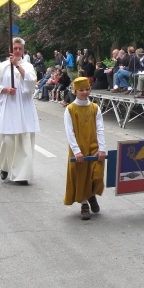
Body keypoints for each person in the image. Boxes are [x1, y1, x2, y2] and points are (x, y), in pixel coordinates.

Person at [0, 37, 40, 184]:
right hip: (8, 106)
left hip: (23, 107)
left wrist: (17, 66)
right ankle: (5, 166)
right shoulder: (2, 66)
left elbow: (30, 82)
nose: (17, 51)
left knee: (23, 141)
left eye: (19, 49)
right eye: (14, 48)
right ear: (10, 49)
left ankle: (22, 175)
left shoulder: (28, 66)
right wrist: (4, 89)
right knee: (7, 141)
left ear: (23, 50)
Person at [63, 77, 106, 220]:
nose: (84, 92)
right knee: (81, 176)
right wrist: (76, 151)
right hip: (79, 148)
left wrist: (102, 148)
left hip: (94, 147)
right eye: (81, 90)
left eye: (87, 89)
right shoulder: (70, 109)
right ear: (75, 91)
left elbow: (100, 129)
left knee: (97, 174)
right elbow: (70, 132)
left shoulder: (95, 107)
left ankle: (91, 194)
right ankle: (84, 203)